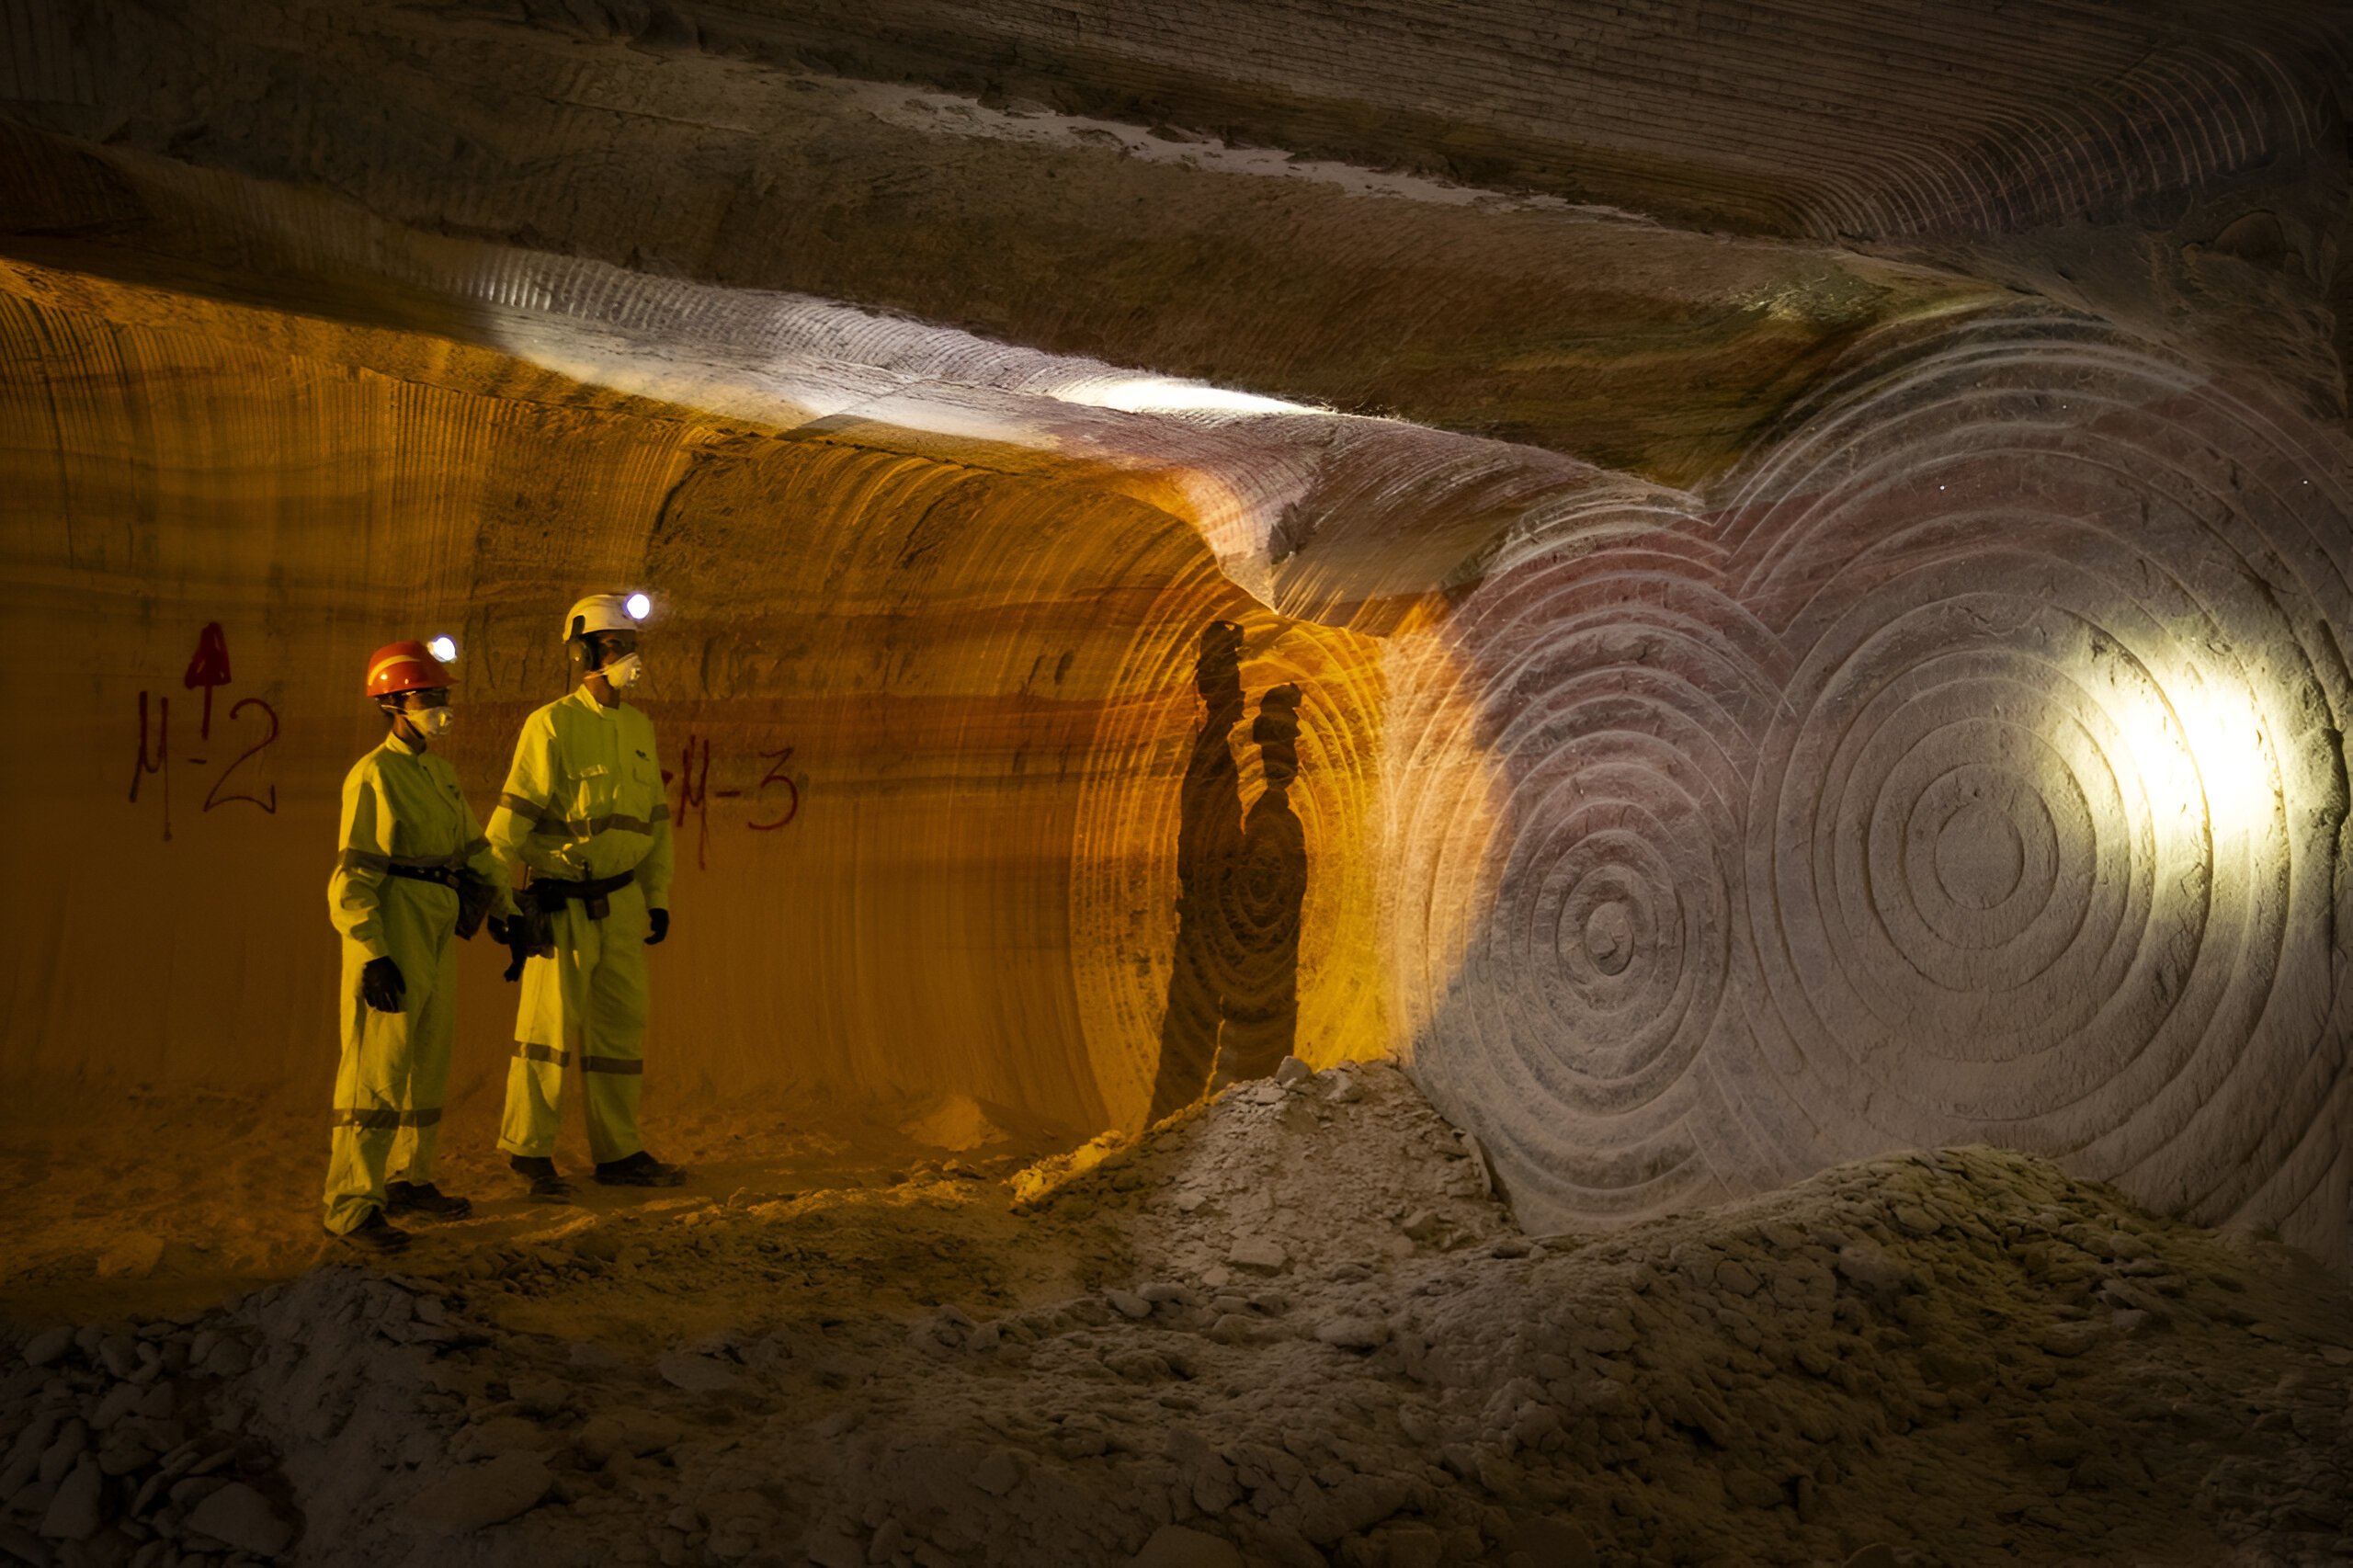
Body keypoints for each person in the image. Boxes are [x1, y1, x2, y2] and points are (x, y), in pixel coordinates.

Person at [487, 593, 683, 1199]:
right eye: (618, 647)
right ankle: (529, 1151)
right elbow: (511, 820)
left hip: (621, 904)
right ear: (585, 654)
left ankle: (619, 1151)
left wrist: (657, 897)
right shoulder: (551, 725)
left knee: (620, 1035)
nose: (631, 660)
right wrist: (498, 901)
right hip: (563, 902)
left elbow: (655, 822)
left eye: (632, 647)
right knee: (546, 1035)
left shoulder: (639, 727)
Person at [323, 639, 511, 1254]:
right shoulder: (374, 775)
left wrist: (508, 910)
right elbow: (353, 874)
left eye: (442, 696)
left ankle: (409, 1179)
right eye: (429, 697)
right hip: (395, 919)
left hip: (435, 918)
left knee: (426, 1058)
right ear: (393, 703)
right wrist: (373, 952)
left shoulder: (437, 772)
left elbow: (474, 850)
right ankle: (351, 1205)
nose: (440, 707)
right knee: (378, 1066)